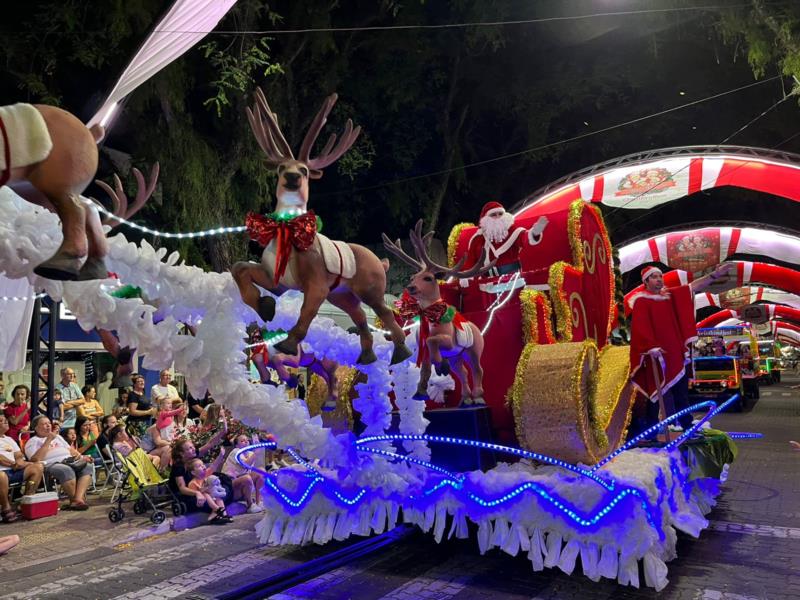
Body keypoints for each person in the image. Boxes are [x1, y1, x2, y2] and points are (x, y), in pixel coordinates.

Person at [628, 263, 735, 434]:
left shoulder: (669, 296)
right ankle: (651, 431)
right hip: (656, 355)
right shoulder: (641, 300)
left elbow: (693, 286)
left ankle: (686, 423)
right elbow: (640, 326)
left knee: (681, 393)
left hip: (675, 354)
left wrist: (715, 274)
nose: (659, 280)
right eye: (654, 277)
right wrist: (650, 346)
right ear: (646, 281)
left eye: (660, 276)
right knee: (655, 395)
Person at [462, 201, 549, 276]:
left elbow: (524, 237)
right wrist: (467, 276)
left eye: (500, 214)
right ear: (485, 219)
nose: (498, 217)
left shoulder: (513, 231)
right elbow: (470, 261)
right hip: (487, 285)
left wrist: (534, 233)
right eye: (493, 215)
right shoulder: (478, 239)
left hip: (513, 281)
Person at [24, 415, 92, 510]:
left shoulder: (58, 437)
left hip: (69, 460)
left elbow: (70, 449)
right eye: (44, 424)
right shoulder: (32, 441)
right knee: (66, 470)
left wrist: (81, 456)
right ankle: (74, 500)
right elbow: (35, 460)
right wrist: (48, 440)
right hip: (51, 463)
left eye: (49, 423)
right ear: (36, 428)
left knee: (87, 467)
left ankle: (78, 499)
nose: (48, 426)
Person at [0, 414, 45, 522]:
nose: (6, 421)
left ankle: (26, 501)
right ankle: (6, 507)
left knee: (38, 467)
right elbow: (0, 458)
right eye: (1, 420)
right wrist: (13, 464)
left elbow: (19, 455)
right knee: (1, 475)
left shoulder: (9, 439)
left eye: (6, 419)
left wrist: (21, 463)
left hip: (14, 470)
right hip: (3, 471)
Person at [222, 434, 265, 512]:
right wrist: (256, 453)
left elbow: (249, 470)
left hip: (243, 483)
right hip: (231, 486)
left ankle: (259, 501)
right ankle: (250, 505)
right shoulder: (235, 452)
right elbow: (246, 465)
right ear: (236, 445)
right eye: (242, 441)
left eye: (247, 440)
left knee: (261, 471)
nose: (246, 442)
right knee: (246, 478)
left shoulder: (250, 453)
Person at [185, 457, 232, 524]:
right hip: (203, 502)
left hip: (212, 499)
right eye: (199, 466)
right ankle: (216, 509)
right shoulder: (193, 483)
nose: (203, 466)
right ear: (193, 472)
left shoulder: (207, 474)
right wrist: (205, 489)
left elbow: (214, 466)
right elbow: (195, 495)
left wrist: (221, 455)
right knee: (205, 494)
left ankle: (223, 514)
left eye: (203, 464)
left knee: (218, 497)